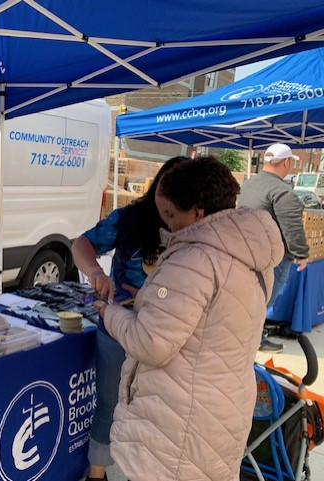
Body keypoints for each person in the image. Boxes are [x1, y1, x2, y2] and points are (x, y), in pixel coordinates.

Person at [99, 157, 283, 481]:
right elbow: (209, 320)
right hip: (222, 411)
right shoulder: (247, 253)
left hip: (176, 424)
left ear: (197, 212)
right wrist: (151, 300)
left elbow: (150, 342)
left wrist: (110, 312)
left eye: (171, 214)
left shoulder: (193, 259)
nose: (167, 225)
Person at [72, 156, 188, 481]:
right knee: (109, 402)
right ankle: (97, 474)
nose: (168, 208)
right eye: (165, 194)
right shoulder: (129, 218)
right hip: (117, 326)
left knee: (158, 410)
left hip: (164, 332)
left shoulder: (193, 230)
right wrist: (95, 272)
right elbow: (81, 244)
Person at [238, 143, 310, 353]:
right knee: (263, 301)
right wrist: (301, 253)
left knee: (249, 300)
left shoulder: (249, 184)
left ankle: (247, 338)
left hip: (246, 252)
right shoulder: (282, 191)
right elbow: (292, 227)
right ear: (286, 162)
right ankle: (255, 340)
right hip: (272, 258)